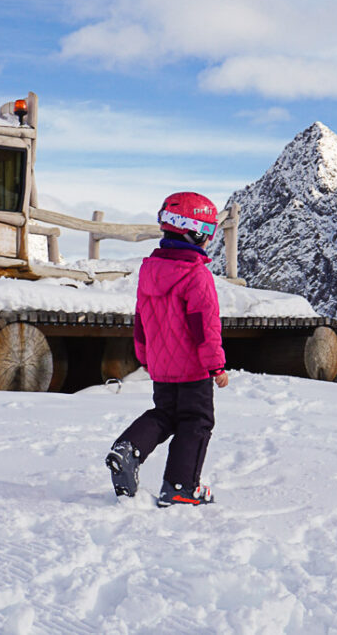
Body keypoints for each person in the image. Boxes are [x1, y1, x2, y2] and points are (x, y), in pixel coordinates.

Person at [106, 191, 228, 507]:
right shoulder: (197, 275)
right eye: (209, 230)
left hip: (161, 366)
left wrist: (146, 357)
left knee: (165, 415)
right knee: (196, 421)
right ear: (194, 232)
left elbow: (141, 320)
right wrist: (216, 365)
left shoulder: (149, 271)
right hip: (193, 368)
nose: (210, 239)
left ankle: (129, 446)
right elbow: (205, 326)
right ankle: (180, 487)